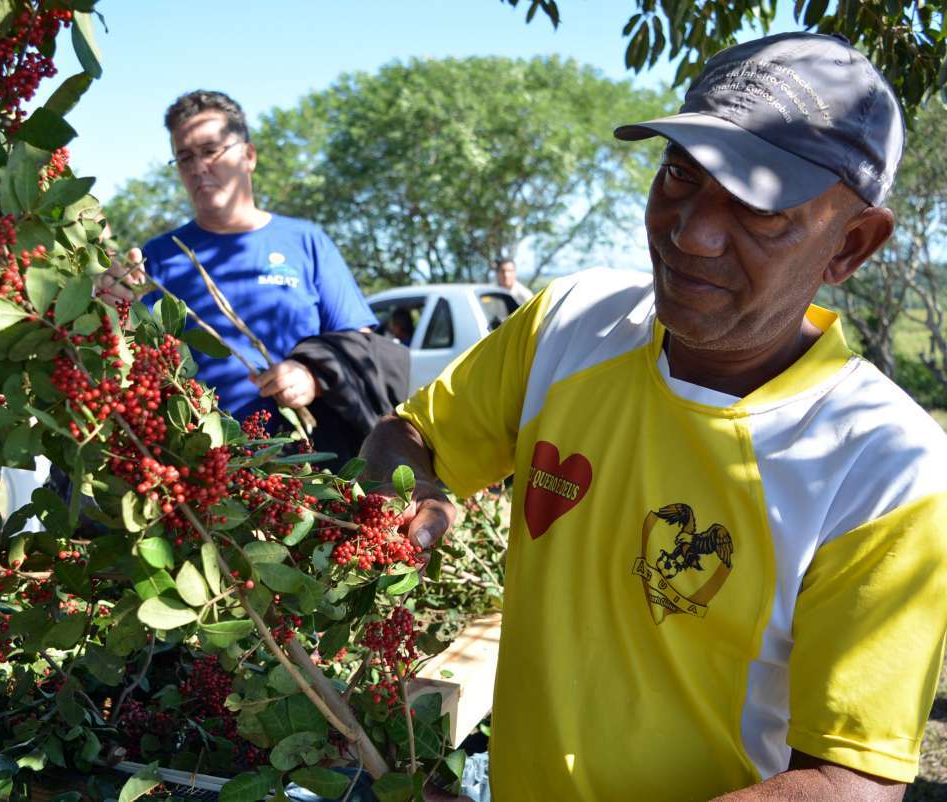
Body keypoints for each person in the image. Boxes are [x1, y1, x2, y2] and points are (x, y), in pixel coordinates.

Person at [361, 33, 947, 802]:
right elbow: (405, 437)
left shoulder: (887, 469)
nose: (690, 232)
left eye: (759, 208)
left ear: (852, 245)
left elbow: (850, 782)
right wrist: (417, 493)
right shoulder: (568, 326)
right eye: (679, 176)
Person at [99, 90, 377, 424]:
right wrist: (112, 310)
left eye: (211, 150)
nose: (199, 167)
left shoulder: (306, 242)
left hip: (308, 464)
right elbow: (134, 362)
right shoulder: (156, 258)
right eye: (185, 157)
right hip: (205, 464)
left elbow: (359, 345)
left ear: (249, 156)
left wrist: (313, 375)